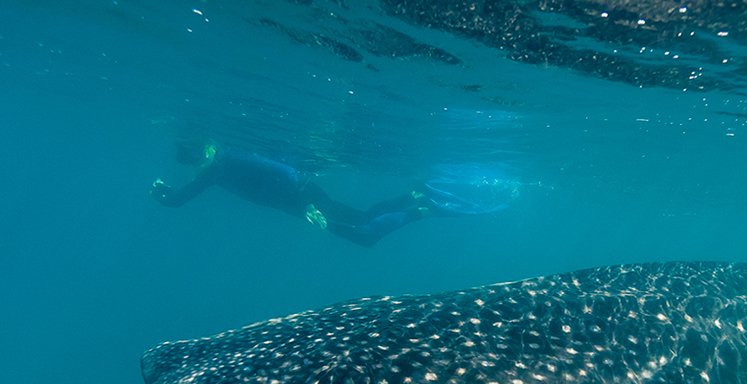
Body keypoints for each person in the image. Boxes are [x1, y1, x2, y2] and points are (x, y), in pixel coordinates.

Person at [151, 141, 511, 247]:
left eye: (196, 161)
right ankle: (414, 199)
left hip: (300, 195)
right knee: (359, 219)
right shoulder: (222, 163)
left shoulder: (219, 166)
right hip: (300, 192)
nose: (199, 167)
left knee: (363, 236)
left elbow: (183, 197)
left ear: (201, 156)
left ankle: (421, 208)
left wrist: (165, 195)